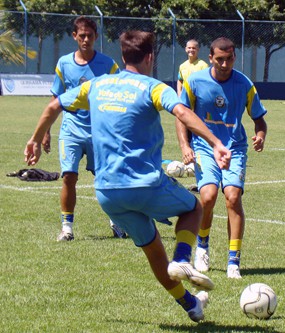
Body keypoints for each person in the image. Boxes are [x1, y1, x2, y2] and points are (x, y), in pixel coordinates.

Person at [25, 30, 231, 322]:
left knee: (154, 253)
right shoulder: (153, 87)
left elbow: (53, 105)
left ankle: (191, 305)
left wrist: (35, 139)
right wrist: (216, 142)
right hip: (145, 183)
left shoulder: (96, 86)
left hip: (107, 194)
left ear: (122, 57)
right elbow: (182, 112)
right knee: (193, 207)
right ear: (150, 57)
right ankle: (183, 259)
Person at [176, 37, 268, 279]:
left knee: (233, 197)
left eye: (229, 59)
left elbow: (259, 118)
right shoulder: (194, 82)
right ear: (210, 58)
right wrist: (185, 145)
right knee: (208, 196)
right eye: (219, 59)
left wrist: (260, 135)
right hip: (205, 147)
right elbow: (181, 115)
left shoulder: (245, 85)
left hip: (235, 147)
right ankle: (202, 246)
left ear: (234, 57)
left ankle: (233, 261)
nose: (224, 64)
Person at [42, 16, 126, 241]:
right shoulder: (64, 64)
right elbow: (56, 99)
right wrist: (47, 131)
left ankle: (116, 222)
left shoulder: (108, 65)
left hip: (100, 131)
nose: (86, 39)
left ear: (96, 37)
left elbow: (119, 95)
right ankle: (67, 228)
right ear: (74, 37)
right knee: (69, 176)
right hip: (71, 129)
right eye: (82, 36)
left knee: (105, 178)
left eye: (90, 36)